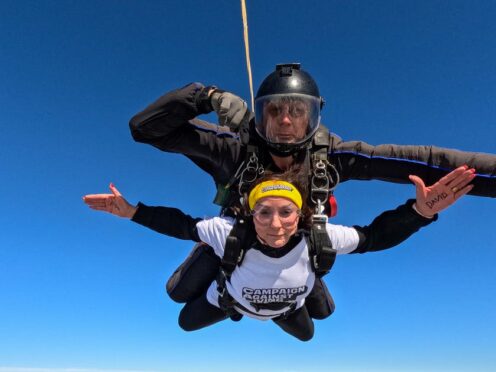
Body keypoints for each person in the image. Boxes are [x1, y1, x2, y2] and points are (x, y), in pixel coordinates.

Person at [128, 63, 496, 319]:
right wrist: (204, 96)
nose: (285, 120)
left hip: (296, 253)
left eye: (296, 110)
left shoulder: (330, 157)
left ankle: (281, 298)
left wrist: (424, 210)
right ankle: (231, 294)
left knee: (320, 313)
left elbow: (421, 161)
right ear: (260, 115)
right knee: (177, 295)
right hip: (236, 246)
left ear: (312, 117)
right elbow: (145, 129)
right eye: (274, 110)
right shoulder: (233, 149)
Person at [82, 166, 474, 341]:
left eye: (285, 211)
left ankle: (296, 295)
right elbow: (180, 224)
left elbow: (373, 237)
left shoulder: (317, 235)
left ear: (299, 214)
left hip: (286, 309)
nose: (275, 222)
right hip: (231, 302)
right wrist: (132, 211)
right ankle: (214, 268)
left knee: (312, 329)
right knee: (184, 318)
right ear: (251, 214)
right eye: (263, 212)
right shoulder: (231, 232)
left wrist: (420, 212)